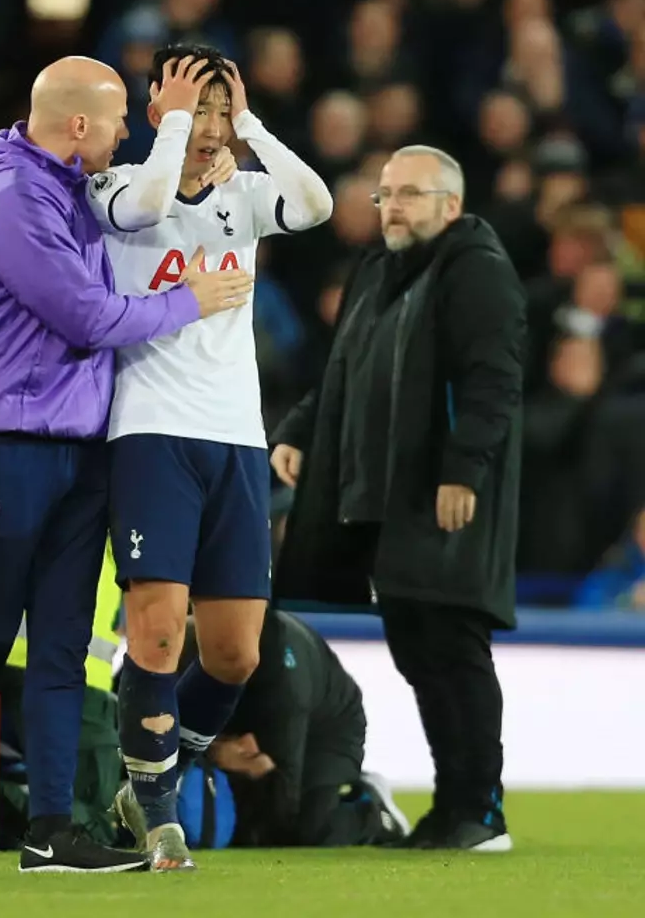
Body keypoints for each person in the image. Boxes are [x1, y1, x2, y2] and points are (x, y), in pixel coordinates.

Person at [0, 55, 250, 875]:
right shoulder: (9, 199)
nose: (126, 131)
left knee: (63, 645)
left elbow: (150, 204)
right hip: (9, 441)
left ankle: (51, 829)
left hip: (81, 446)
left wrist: (205, 153)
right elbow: (85, 313)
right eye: (116, 120)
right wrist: (188, 303)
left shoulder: (68, 190)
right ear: (75, 126)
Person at [87, 45, 333, 870]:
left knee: (234, 653)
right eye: (196, 106)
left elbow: (319, 203)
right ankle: (158, 813)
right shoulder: (118, 186)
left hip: (237, 437)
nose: (211, 127)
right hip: (152, 430)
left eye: (222, 110)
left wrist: (252, 125)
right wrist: (179, 124)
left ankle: (151, 775)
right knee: (156, 636)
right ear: (155, 107)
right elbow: (155, 196)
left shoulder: (247, 196)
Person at [270, 145, 526, 853]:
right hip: (386, 496)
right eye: (385, 193)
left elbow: (493, 380)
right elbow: (342, 368)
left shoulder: (476, 270)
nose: (393, 206)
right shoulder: (379, 270)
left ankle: (481, 809)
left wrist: (463, 471)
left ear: (452, 205)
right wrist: (300, 429)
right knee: (418, 642)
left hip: (442, 492)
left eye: (411, 194)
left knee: (452, 642)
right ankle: (454, 809)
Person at [174, 609, 410, 849]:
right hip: (250, 709)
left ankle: (373, 813)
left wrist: (249, 765)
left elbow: (283, 799)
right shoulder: (187, 658)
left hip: (328, 728)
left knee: (307, 829)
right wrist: (214, 752)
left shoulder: (283, 689)